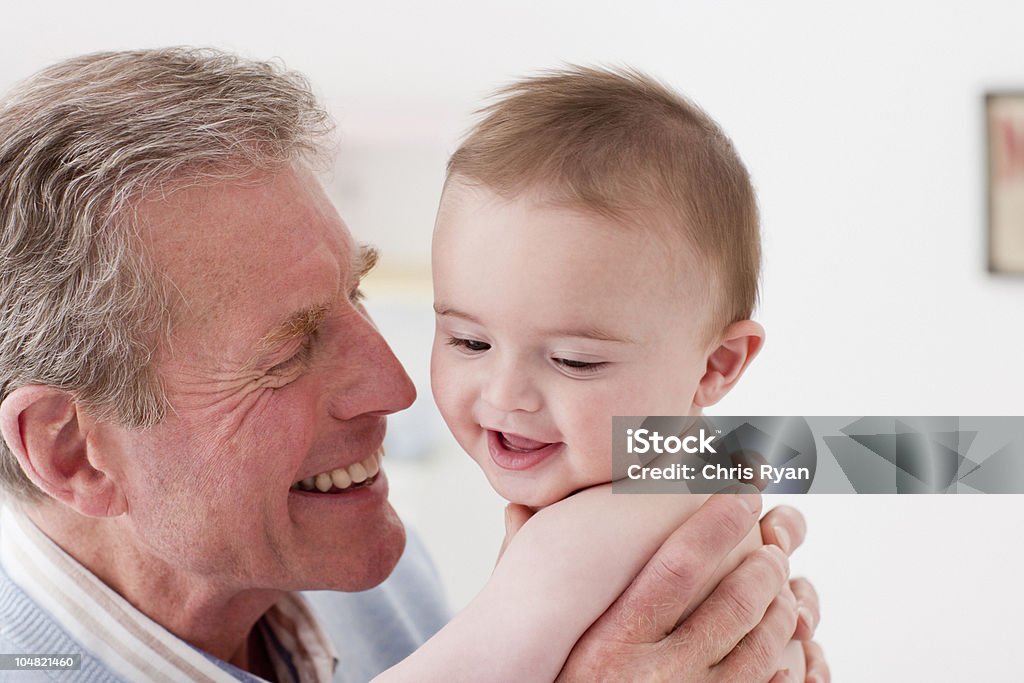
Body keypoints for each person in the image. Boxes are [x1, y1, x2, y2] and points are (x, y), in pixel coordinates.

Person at [0, 48, 826, 682]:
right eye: (287, 352)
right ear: (71, 448)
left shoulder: (352, 563)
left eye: (357, 294)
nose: (397, 387)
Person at [380, 66, 815, 682]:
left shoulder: (578, 543)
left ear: (716, 366)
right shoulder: (709, 476)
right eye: (469, 340)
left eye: (574, 361)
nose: (505, 395)